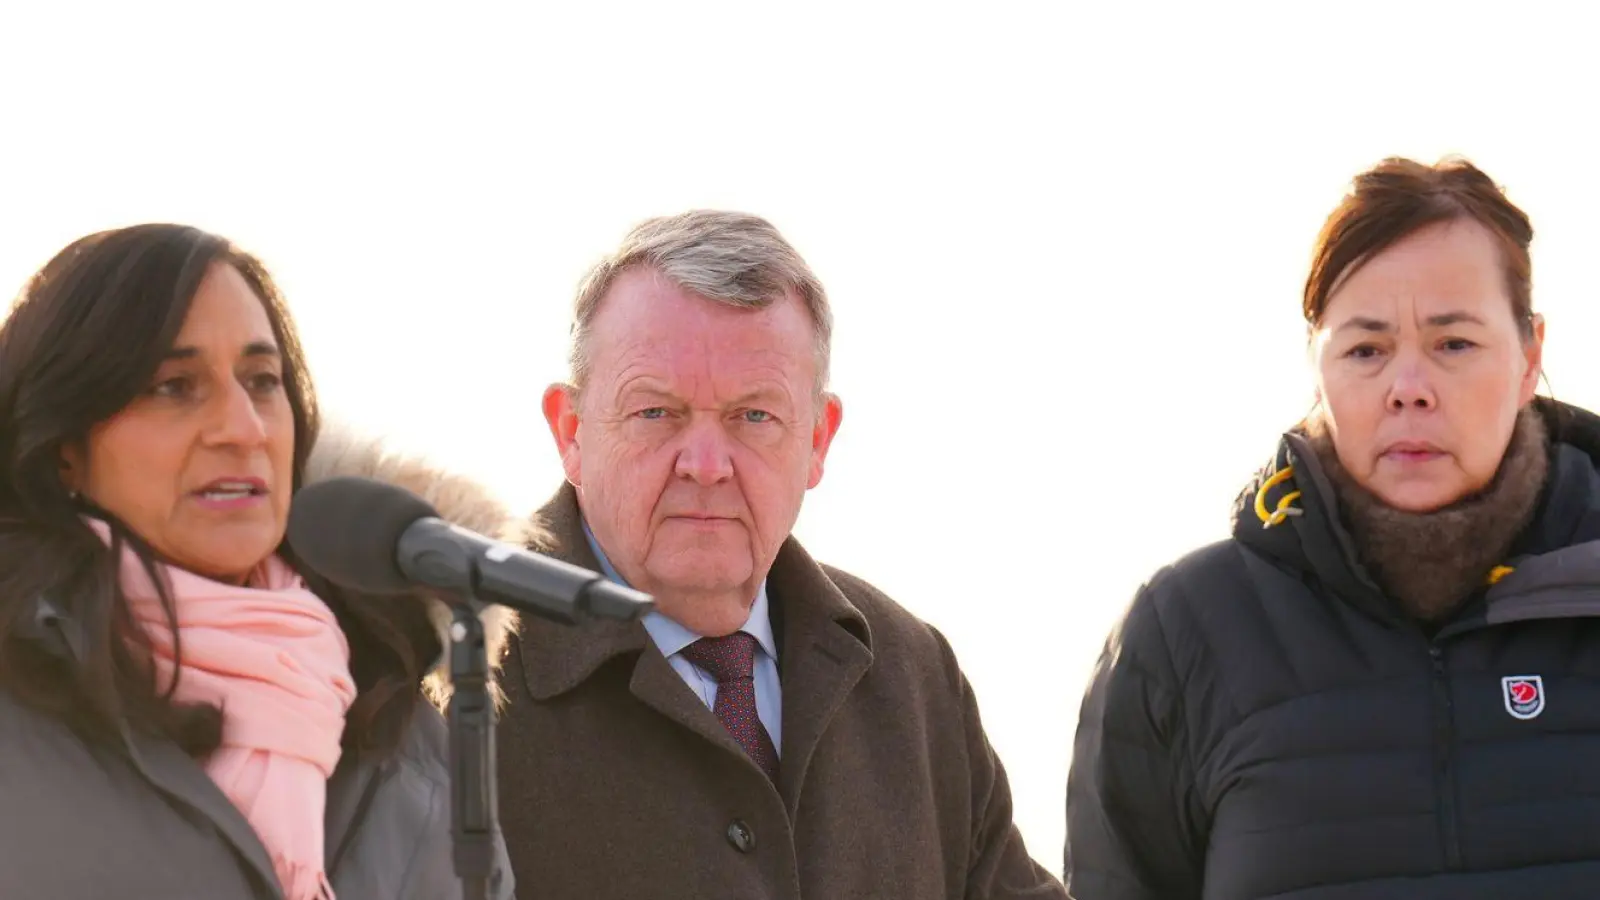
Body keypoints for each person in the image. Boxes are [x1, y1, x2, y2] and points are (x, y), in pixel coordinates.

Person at [1065, 156, 1600, 898]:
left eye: (1454, 344)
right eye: (1366, 350)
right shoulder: (1187, 633)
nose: (1408, 390)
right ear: (1316, 365)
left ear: (1528, 354)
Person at [493, 210, 1065, 898]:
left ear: (818, 439)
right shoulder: (447, 680)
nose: (706, 464)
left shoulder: (912, 678)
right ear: (571, 430)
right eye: (656, 412)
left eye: (754, 416)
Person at [0, 224, 519, 899]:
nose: (242, 428)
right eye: (173, 385)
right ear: (66, 443)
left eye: (262, 380)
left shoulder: (401, 721)